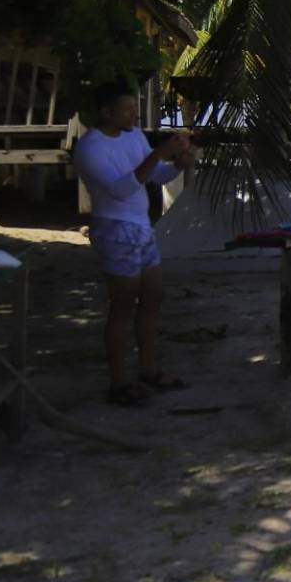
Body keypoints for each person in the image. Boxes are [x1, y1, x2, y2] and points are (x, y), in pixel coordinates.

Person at [72, 82, 194, 407]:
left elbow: (155, 176)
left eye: (134, 108)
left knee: (153, 298)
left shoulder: (134, 136)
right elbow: (121, 189)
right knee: (122, 306)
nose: (134, 114)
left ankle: (148, 369)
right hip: (115, 230)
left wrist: (177, 164)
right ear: (106, 112)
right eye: (126, 109)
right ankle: (118, 382)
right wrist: (159, 154)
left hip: (142, 227)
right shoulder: (90, 148)